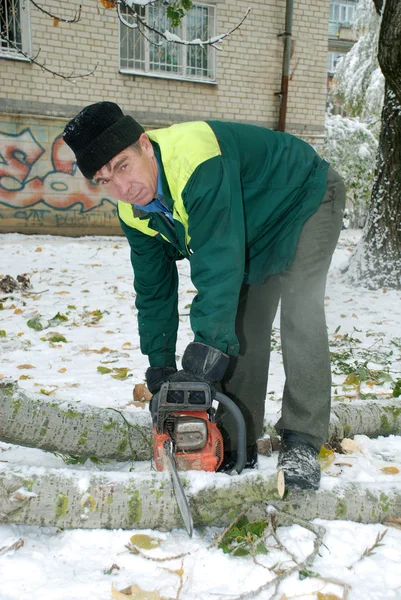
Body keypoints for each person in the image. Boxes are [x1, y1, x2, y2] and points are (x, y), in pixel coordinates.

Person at [63, 101, 345, 491]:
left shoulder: (195, 159)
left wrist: (203, 359)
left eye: (123, 166)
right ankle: (233, 437)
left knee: (300, 310)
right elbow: (154, 289)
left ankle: (301, 440)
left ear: (144, 145)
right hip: (252, 227)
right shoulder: (133, 211)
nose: (122, 188)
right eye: (104, 179)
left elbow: (217, 262)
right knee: (242, 325)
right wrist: (160, 368)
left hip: (304, 197)